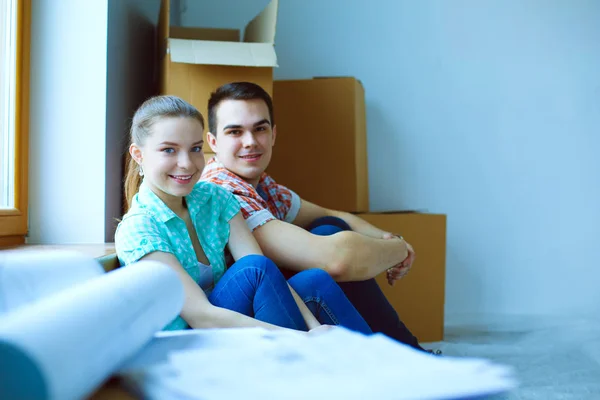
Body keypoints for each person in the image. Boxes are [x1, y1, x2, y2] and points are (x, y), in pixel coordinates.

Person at [115, 95, 372, 335]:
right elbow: (202, 316)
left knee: (313, 279)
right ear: (139, 155)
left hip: (234, 320)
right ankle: (303, 371)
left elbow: (266, 271)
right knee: (253, 269)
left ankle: (377, 363)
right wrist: (299, 337)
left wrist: (314, 327)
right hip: (191, 340)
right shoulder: (139, 229)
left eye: (194, 149)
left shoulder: (214, 199)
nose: (187, 163)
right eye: (169, 150)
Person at [200, 82, 425, 350]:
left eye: (259, 129)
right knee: (319, 275)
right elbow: (336, 260)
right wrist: (398, 250)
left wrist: (387, 237)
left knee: (328, 227)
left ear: (273, 135)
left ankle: (409, 355)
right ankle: (392, 367)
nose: (250, 142)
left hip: (265, 299)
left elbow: (330, 214)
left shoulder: (261, 183)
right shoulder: (222, 188)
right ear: (213, 141)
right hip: (232, 319)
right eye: (235, 132)